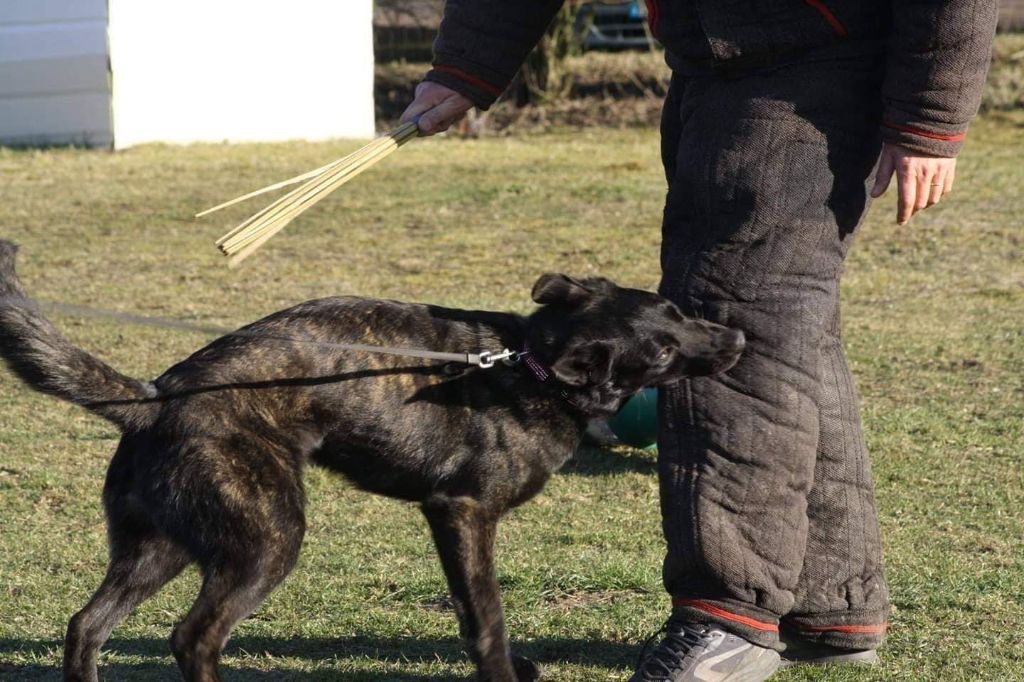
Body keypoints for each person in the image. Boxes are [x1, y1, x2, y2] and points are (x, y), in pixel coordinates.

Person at [401, 2, 998, 680]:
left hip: (813, 69)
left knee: (729, 321)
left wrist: (932, 114)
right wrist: (466, 65)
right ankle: (827, 602)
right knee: (781, 329)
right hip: (713, 70)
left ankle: (730, 615)